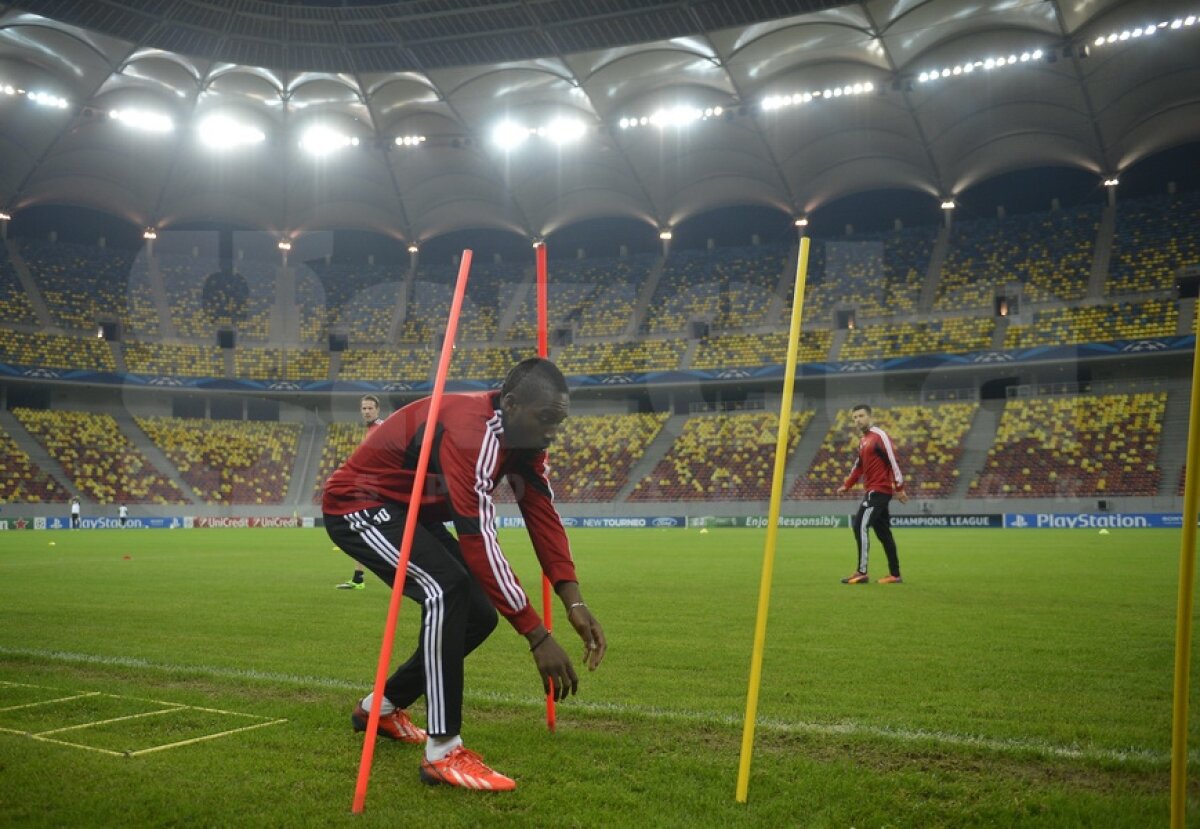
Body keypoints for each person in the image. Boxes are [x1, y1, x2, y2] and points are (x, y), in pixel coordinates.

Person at [323, 358, 607, 791]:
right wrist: (536, 634)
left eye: (559, 422)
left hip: (411, 511)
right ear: (510, 404)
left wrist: (574, 600)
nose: (552, 432)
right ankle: (443, 751)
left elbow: (541, 513)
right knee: (446, 588)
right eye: (547, 419)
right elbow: (478, 538)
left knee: (478, 613)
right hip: (359, 504)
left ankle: (380, 708)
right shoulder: (474, 431)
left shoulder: (524, 442)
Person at [835, 404, 907, 584]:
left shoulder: (879, 436)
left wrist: (899, 487)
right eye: (855, 418)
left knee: (859, 525)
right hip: (874, 490)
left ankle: (861, 572)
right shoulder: (863, 440)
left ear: (870, 417)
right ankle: (895, 574)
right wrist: (847, 485)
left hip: (879, 490)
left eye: (861, 416)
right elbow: (858, 466)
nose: (858, 420)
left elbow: (893, 460)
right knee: (884, 533)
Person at [336, 395, 386, 591]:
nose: (366, 411)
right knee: (360, 527)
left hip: (381, 488)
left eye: (370, 408)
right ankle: (358, 577)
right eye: (364, 408)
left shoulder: (381, 428)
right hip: (371, 487)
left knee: (362, 528)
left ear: (377, 409)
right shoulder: (370, 431)